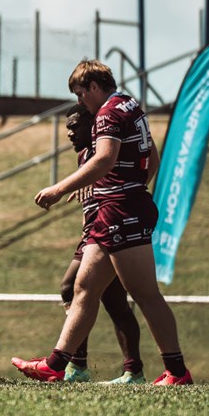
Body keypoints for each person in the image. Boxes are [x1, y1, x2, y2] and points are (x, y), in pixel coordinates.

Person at [12, 59, 193, 385]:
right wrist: (132, 185)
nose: (81, 103)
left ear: (94, 87)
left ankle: (176, 372)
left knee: (145, 294)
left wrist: (59, 188)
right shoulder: (131, 105)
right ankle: (56, 363)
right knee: (82, 288)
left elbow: (105, 157)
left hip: (121, 210)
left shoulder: (109, 112)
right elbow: (151, 159)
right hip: (119, 206)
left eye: (81, 94)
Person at [57, 103, 145, 384]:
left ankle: (77, 365)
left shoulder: (105, 149)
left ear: (91, 125)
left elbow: (121, 172)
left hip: (109, 230)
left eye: (74, 126)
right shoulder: (85, 154)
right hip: (93, 232)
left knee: (71, 287)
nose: (69, 133)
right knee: (114, 301)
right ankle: (132, 370)